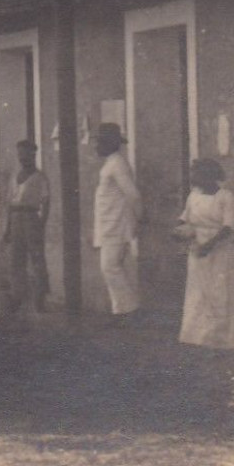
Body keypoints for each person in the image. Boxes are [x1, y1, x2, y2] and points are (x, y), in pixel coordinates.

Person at [177, 158, 234, 350]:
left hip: (221, 251)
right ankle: (198, 337)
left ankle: (222, 340)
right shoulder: (193, 196)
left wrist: (209, 245)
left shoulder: (225, 197)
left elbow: (228, 228)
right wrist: (182, 235)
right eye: (193, 172)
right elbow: (184, 219)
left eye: (199, 173)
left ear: (211, 175)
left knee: (221, 293)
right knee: (199, 293)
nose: (194, 177)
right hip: (198, 251)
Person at [92, 123, 143, 324]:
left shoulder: (117, 164)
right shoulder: (111, 163)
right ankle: (121, 311)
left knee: (110, 266)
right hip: (109, 224)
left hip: (116, 225)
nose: (97, 146)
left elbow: (133, 195)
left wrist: (138, 218)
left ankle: (128, 311)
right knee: (111, 266)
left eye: (100, 142)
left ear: (109, 144)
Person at [2, 139, 50, 315]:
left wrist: (41, 224)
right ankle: (17, 296)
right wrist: (7, 228)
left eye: (26, 153)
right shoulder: (15, 176)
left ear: (33, 154)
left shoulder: (40, 177)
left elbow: (46, 202)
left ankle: (40, 298)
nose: (22, 157)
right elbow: (9, 204)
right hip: (15, 218)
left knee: (37, 259)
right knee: (16, 260)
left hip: (31, 218)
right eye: (19, 154)